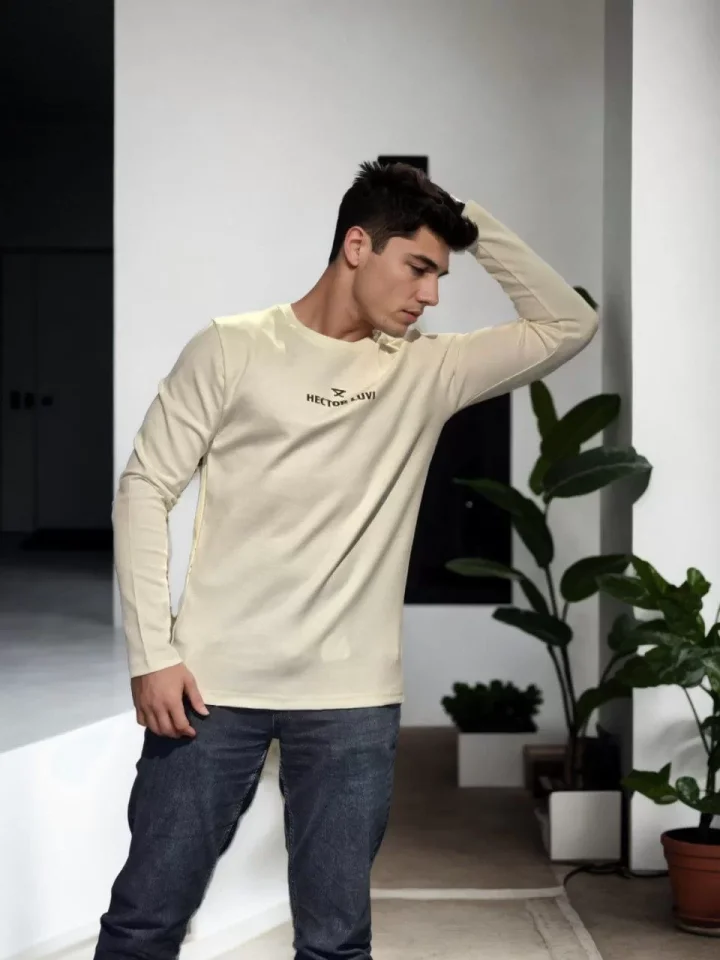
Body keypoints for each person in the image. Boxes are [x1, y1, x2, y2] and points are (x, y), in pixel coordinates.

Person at [95, 161, 598, 960]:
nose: (430, 295)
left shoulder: (426, 370)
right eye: (419, 267)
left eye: (439, 275)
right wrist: (153, 653)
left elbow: (568, 324)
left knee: (335, 944)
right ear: (357, 246)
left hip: (350, 700)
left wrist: (464, 217)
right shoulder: (233, 347)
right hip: (210, 687)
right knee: (143, 923)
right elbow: (144, 489)